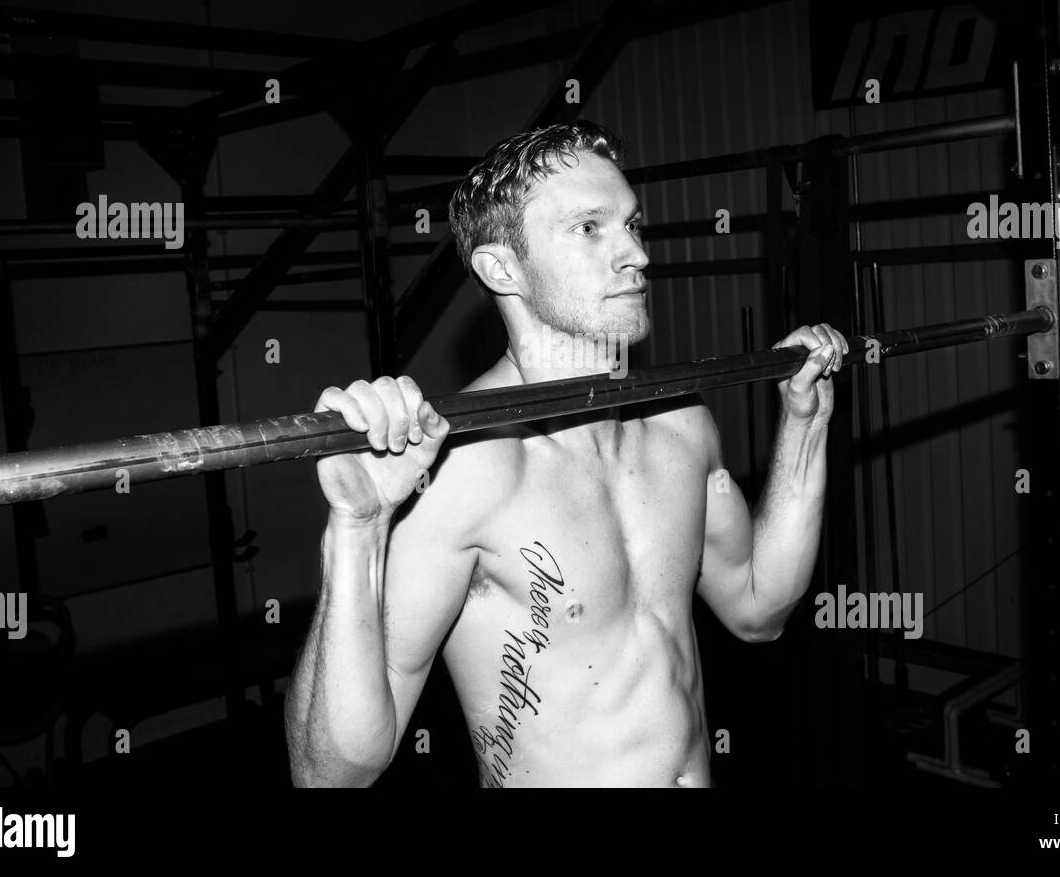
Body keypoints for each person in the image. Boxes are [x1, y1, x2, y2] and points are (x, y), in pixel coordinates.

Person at [285, 121, 847, 787]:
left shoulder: (681, 426)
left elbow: (759, 611)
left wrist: (805, 425)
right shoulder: (465, 472)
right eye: (589, 228)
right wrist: (359, 529)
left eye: (633, 226)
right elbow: (330, 774)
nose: (636, 254)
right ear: (501, 267)